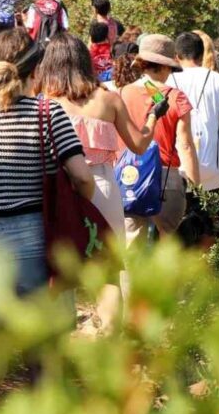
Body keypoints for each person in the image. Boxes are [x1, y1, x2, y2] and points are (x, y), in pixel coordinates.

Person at [0, 29, 95, 296]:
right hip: (30, 233)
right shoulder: (48, 114)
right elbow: (82, 177)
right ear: (36, 70)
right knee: (34, 327)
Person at [38, 33, 166, 327]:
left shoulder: (43, 104)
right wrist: (153, 117)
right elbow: (138, 144)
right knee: (109, 271)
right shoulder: (109, 100)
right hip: (103, 186)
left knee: (60, 264)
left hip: (61, 189)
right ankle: (110, 340)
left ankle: (62, 338)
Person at [119, 34, 201, 244]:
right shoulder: (176, 97)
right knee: (167, 243)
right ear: (165, 67)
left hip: (131, 173)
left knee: (131, 245)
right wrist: (195, 185)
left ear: (143, 64)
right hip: (166, 177)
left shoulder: (122, 93)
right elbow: (185, 144)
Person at [169, 32, 219, 192]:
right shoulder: (216, 79)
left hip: (179, 162)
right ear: (201, 54)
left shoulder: (170, 80)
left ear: (176, 56)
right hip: (212, 164)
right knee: (208, 210)